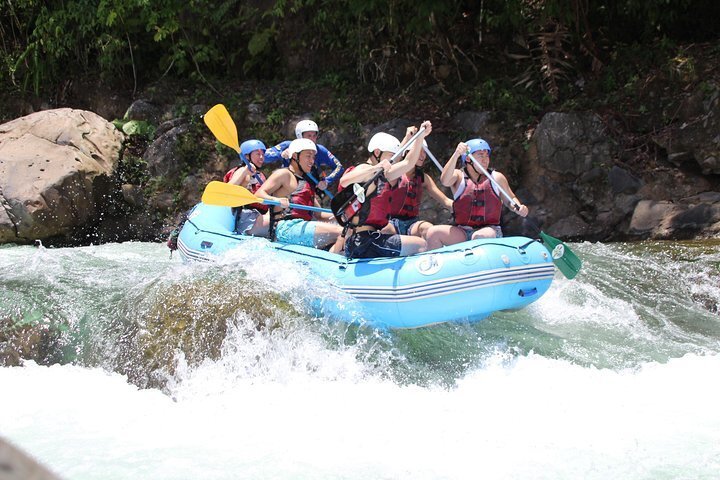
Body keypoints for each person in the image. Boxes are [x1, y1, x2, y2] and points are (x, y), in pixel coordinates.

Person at [337, 121, 432, 259]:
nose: (392, 160)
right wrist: (376, 167)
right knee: (421, 244)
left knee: (411, 242)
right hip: (364, 241)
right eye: (390, 155)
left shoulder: (383, 175)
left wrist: (419, 137)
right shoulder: (364, 169)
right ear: (377, 153)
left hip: (371, 238)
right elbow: (344, 181)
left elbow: (408, 162)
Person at [425, 138, 529, 250]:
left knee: (479, 236)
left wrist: (518, 207)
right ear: (469, 158)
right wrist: (456, 154)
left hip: (490, 230)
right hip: (463, 231)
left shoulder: (496, 178)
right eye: (480, 155)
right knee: (433, 232)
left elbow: (510, 199)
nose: (485, 160)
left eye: (486, 156)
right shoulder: (458, 177)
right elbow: (445, 180)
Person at [255, 138, 344, 253]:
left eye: (313, 157)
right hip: (286, 228)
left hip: (301, 227)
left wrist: (341, 214)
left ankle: (333, 258)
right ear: (295, 156)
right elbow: (259, 194)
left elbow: (319, 213)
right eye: (308, 156)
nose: (312, 161)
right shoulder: (284, 174)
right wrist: (276, 200)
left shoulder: (306, 182)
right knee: (341, 232)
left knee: (348, 229)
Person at [381, 138, 452, 239]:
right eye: (419, 151)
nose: (423, 155)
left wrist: (458, 207)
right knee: (384, 230)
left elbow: (445, 200)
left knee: (429, 229)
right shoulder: (393, 174)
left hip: (412, 224)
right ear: (407, 153)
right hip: (391, 222)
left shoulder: (423, 178)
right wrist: (407, 137)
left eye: (425, 152)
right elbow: (393, 162)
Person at [264, 119, 344, 192]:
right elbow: (264, 156)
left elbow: (339, 166)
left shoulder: (320, 150)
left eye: (314, 136)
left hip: (307, 190)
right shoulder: (288, 145)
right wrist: (280, 154)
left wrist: (326, 181)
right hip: (287, 186)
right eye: (309, 136)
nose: (312, 139)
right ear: (300, 136)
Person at [221, 139, 272, 236]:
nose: (261, 157)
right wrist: (245, 171)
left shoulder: (260, 175)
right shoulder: (241, 171)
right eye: (257, 154)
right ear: (246, 156)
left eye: (263, 154)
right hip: (245, 216)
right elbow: (228, 190)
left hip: (258, 215)